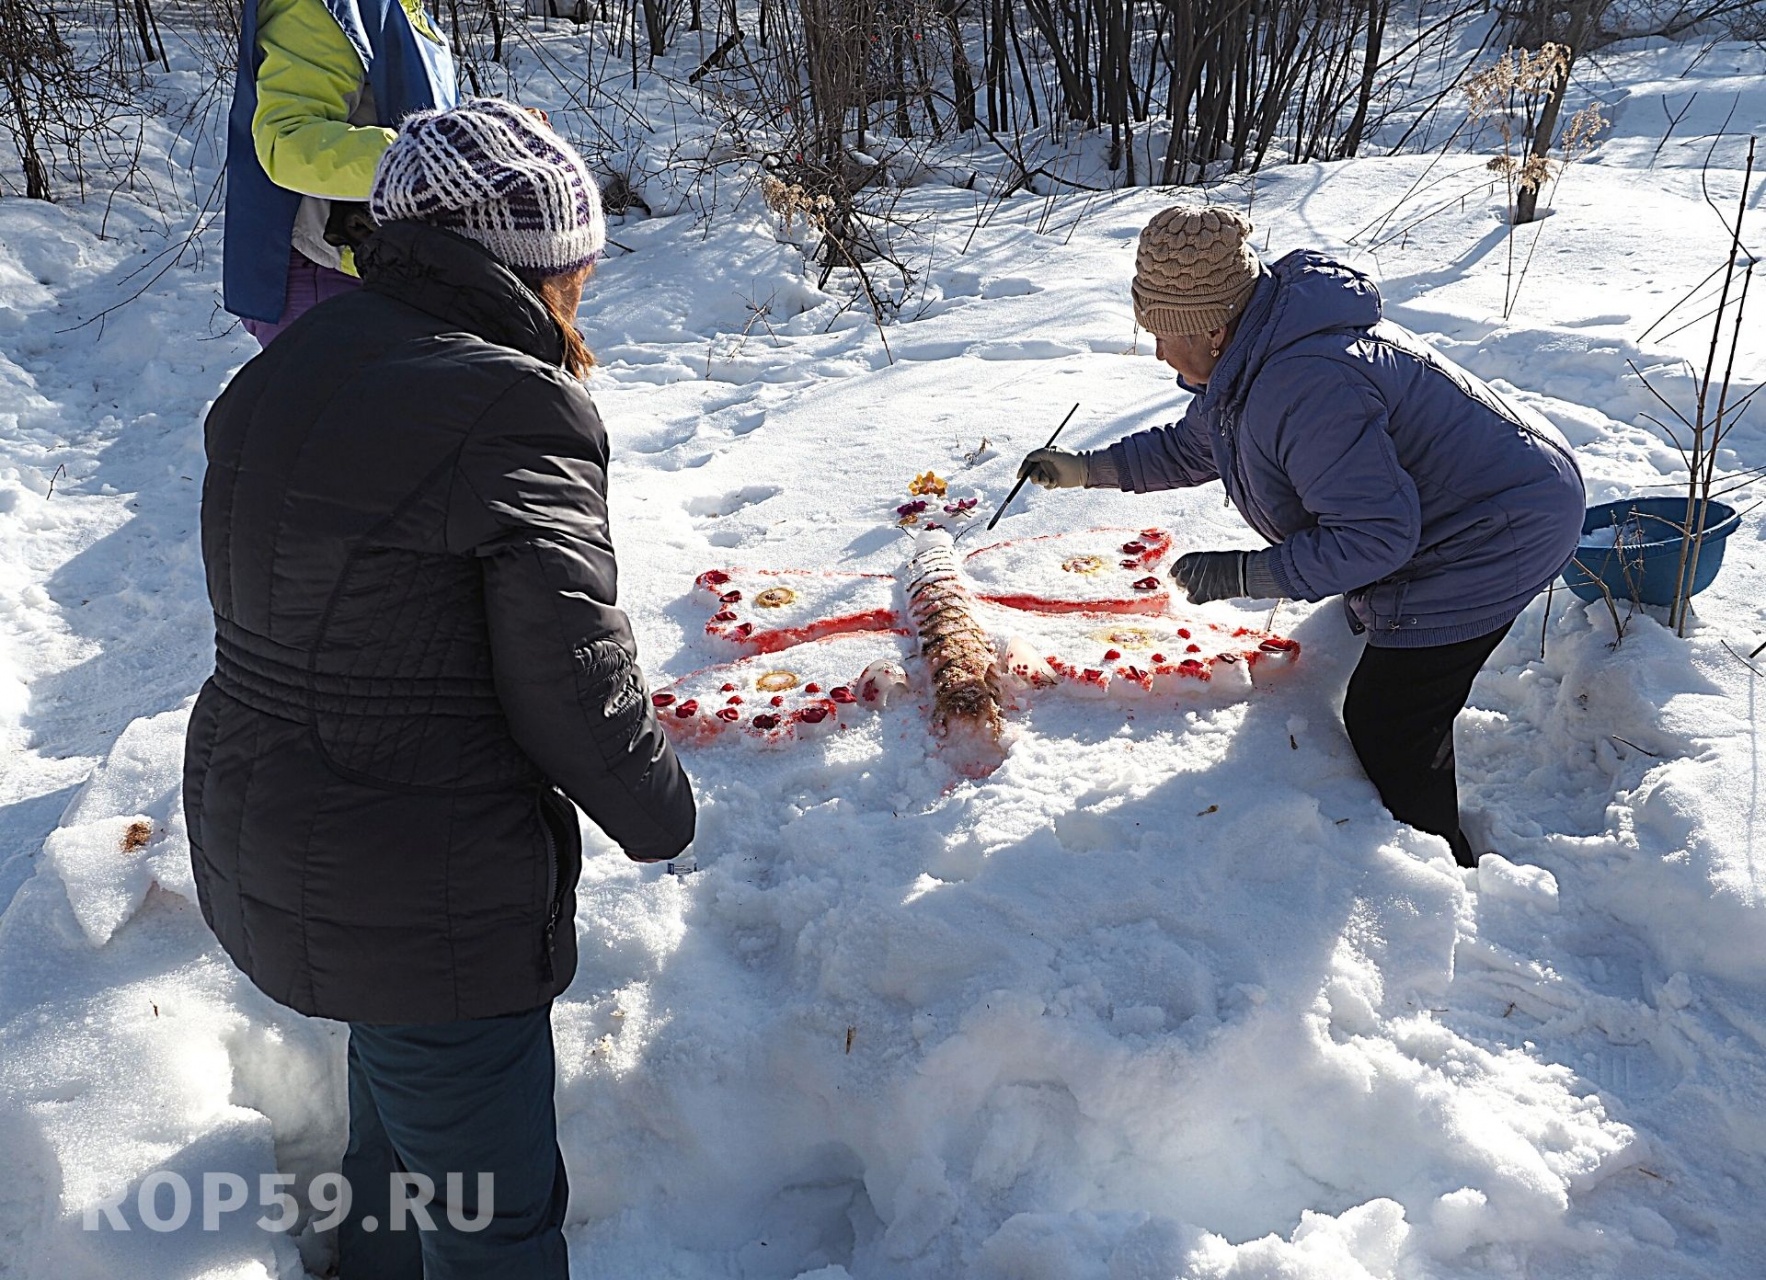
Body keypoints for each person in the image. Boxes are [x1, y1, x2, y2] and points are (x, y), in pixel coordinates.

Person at [185, 100, 696, 1279]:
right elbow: (569, 667)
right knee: (494, 1219)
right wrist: (660, 808)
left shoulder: (291, 364)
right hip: (423, 875)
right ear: (538, 264)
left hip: (280, 827)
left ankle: (368, 1262)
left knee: (399, 1118)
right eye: (579, 265)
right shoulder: (512, 404)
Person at [1019, 205, 1584, 868]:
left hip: (1496, 531)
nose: (1158, 351)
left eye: (1166, 334)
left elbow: (1375, 539)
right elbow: (1190, 448)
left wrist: (1243, 575)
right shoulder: (1256, 357)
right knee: (1380, 655)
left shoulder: (1305, 386)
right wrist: (1087, 470)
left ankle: (1436, 868)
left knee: (1390, 718)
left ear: (1216, 329)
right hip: (1468, 507)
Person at [223, 0, 457, 344]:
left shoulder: (399, 6)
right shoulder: (323, 7)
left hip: (385, 271)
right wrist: (438, 154)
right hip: (331, 276)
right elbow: (288, 140)